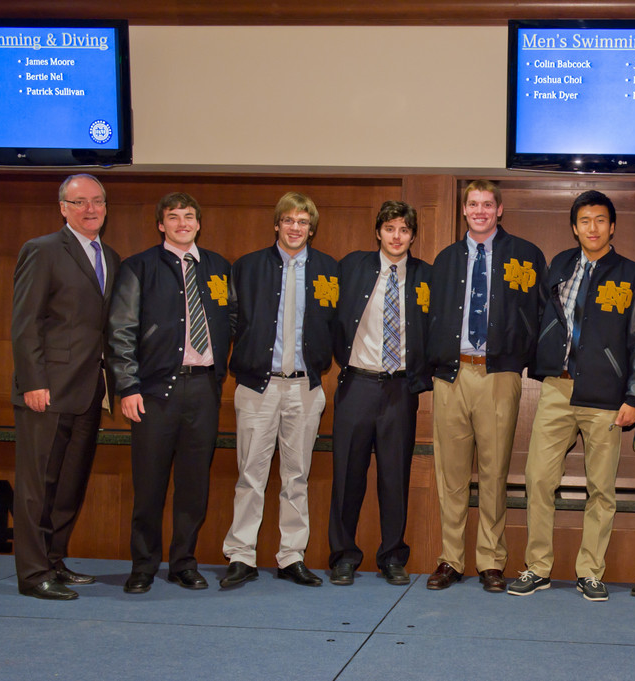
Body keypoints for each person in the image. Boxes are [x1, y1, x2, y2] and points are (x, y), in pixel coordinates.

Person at [509, 190, 635, 602]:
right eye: (584, 221)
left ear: (612, 227)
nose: (592, 228)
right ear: (574, 228)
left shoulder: (634, 276)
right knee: (538, 479)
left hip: (607, 397)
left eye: (600, 220)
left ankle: (591, 572)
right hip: (557, 389)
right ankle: (538, 567)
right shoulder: (559, 265)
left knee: (601, 489)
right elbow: (540, 316)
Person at [425, 180, 546, 592]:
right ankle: (450, 559)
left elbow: (540, 314)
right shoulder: (445, 260)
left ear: (500, 210)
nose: (480, 210)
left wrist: (523, 358)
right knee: (451, 475)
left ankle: (491, 561)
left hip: (499, 375)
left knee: (494, 473)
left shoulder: (525, 255)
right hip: (452, 375)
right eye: (473, 204)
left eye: (488, 204)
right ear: (464, 210)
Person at [109, 193, 233, 594]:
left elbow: (230, 317)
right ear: (161, 225)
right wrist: (127, 386)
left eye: (189, 216)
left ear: (199, 223)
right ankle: (144, 565)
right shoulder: (139, 267)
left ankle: (183, 563)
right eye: (174, 217)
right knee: (150, 485)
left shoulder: (217, 267)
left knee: (194, 485)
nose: (183, 223)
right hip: (154, 391)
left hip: (204, 389)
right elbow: (121, 330)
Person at [219, 192, 336, 589]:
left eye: (303, 222)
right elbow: (229, 320)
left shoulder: (328, 270)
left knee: (297, 476)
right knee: (250, 475)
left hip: (305, 387)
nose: (295, 228)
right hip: (258, 387)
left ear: (311, 229)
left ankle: (291, 556)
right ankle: (241, 555)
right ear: (277, 225)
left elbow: (336, 323)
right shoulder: (248, 266)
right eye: (288, 220)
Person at [11, 174, 120, 600]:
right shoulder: (42, 250)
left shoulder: (109, 256)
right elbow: (25, 323)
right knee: (38, 487)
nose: (90, 209)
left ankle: (54, 562)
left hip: (90, 390)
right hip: (48, 391)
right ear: (63, 208)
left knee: (69, 485)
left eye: (97, 201)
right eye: (79, 202)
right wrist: (33, 382)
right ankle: (33, 573)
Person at [327, 201, 432, 586]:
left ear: (413, 236)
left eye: (404, 230)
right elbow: (330, 317)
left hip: (400, 388)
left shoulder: (426, 276)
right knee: (347, 475)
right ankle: (343, 556)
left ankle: (392, 556)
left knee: (394, 476)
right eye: (390, 228)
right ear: (378, 232)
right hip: (357, 383)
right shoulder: (351, 267)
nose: (396, 236)